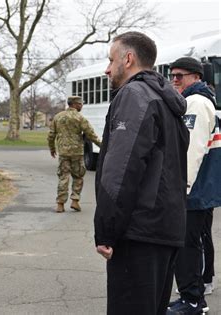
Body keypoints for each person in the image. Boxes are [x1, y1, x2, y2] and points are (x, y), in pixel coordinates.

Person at [93, 31, 189, 315]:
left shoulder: (135, 95)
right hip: (166, 228)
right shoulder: (166, 99)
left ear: (129, 58)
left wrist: (106, 230)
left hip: (140, 233)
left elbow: (122, 168)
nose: (107, 68)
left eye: (111, 60)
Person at [166, 57, 219, 314]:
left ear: (196, 76)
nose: (175, 79)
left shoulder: (196, 103)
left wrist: (181, 188)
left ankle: (192, 300)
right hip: (200, 188)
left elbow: (191, 150)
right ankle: (192, 296)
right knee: (192, 243)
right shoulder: (199, 100)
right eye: (172, 75)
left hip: (192, 189)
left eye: (181, 75)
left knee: (186, 245)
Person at [47, 96, 101, 213]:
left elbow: (51, 135)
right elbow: (91, 135)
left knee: (63, 177)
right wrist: (103, 146)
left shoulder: (58, 117)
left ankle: (60, 204)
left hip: (63, 153)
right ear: (75, 104)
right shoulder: (80, 118)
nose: (82, 106)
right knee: (78, 177)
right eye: (81, 104)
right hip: (77, 153)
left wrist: (52, 148)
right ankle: (75, 201)